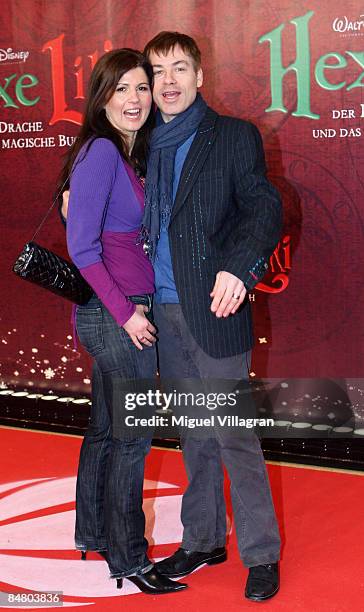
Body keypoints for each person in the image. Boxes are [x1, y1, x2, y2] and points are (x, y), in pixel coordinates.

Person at [140, 32, 282, 602]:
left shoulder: (232, 136)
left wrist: (239, 268)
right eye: (157, 72)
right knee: (194, 436)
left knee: (233, 436)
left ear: (200, 76)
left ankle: (262, 553)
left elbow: (263, 207)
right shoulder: (140, 141)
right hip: (160, 310)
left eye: (179, 69)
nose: (168, 82)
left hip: (214, 306)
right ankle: (202, 538)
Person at [63, 48, 186, 595]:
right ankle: (130, 559)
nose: (135, 99)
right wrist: (130, 317)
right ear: (102, 98)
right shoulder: (102, 154)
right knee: (132, 439)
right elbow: (82, 249)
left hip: (116, 312)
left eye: (142, 88)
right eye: (122, 90)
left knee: (107, 431)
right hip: (117, 316)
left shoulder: (122, 154)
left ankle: (92, 532)